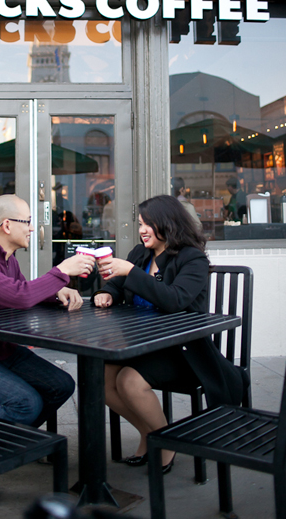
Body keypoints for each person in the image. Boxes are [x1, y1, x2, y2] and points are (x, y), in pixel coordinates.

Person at [0, 194, 94, 504]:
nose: (33, 229)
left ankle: (14, 442)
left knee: (61, 385)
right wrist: (63, 271)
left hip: (0, 349)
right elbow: (21, 296)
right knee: (26, 403)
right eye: (28, 222)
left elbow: (23, 294)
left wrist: (56, 292)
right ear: (7, 225)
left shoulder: (8, 260)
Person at [94, 195, 230, 475]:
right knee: (101, 377)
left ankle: (166, 442)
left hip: (184, 351)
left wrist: (131, 272)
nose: (142, 230)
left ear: (167, 224)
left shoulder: (192, 259)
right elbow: (119, 286)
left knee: (128, 380)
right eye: (140, 224)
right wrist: (107, 293)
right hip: (142, 344)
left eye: (148, 224)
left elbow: (174, 300)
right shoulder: (140, 253)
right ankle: (149, 432)